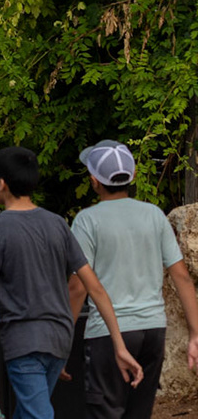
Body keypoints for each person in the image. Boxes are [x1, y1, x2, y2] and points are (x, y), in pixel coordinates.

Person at [0, 145, 140, 419]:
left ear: (2, 183)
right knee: (29, 411)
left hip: (24, 340)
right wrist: (120, 345)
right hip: (60, 340)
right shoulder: (57, 224)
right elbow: (95, 288)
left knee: (37, 413)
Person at [69, 139, 198, 419]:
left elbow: (78, 285)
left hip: (107, 334)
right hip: (153, 330)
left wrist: (63, 339)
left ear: (94, 181)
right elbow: (182, 277)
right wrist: (195, 333)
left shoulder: (87, 220)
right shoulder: (153, 215)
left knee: (105, 413)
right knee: (139, 413)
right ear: (134, 176)